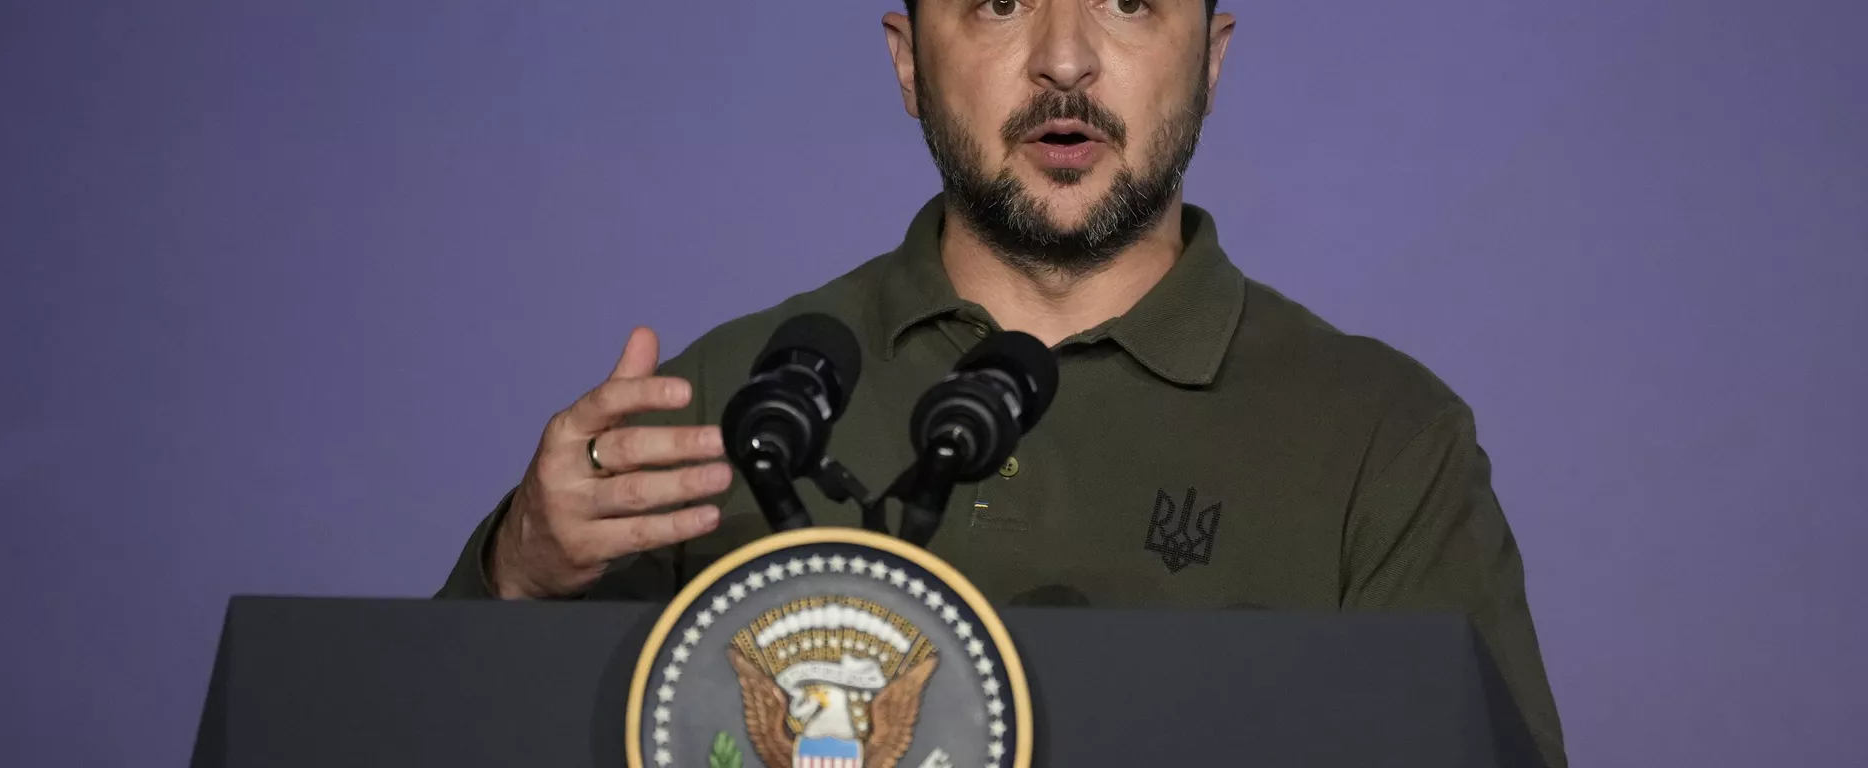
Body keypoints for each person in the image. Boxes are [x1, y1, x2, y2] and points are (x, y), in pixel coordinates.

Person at [437, 2, 1564, 765]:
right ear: (906, 58)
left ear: (1213, 58)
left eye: (1128, 1)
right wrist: (519, 572)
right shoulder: (730, 402)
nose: (1064, 60)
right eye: (998, 0)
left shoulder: (1380, 440)